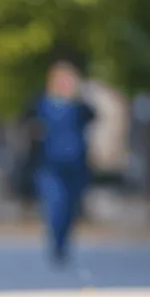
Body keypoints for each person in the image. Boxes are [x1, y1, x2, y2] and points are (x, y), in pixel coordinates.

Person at [25, 61, 95, 266]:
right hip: (49, 164)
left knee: (71, 207)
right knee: (56, 204)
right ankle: (56, 243)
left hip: (76, 164)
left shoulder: (80, 107)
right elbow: (27, 123)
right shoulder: (41, 104)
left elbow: (94, 116)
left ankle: (64, 242)